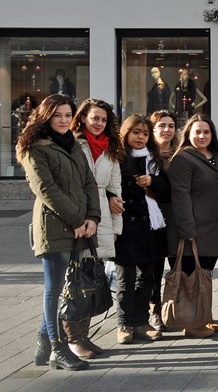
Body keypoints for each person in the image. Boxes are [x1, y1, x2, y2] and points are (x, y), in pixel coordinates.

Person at [20, 94, 100, 371]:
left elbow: (89, 182)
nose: (64, 120)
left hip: (80, 225)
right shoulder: (35, 148)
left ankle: (44, 343)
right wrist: (78, 219)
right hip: (54, 226)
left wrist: (92, 217)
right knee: (54, 289)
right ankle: (57, 348)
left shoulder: (75, 145)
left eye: (68, 115)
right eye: (58, 115)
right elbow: (46, 190)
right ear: (46, 117)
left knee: (67, 286)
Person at [69, 98, 124, 355]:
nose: (99, 123)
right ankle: (72, 339)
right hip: (77, 214)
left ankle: (84, 336)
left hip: (101, 214)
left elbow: (116, 188)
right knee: (74, 280)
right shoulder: (72, 144)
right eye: (95, 118)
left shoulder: (111, 148)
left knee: (91, 280)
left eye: (103, 119)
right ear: (82, 119)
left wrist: (116, 226)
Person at [167, 114, 218, 338]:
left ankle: (204, 317)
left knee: (204, 277)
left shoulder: (216, 157)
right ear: (188, 135)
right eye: (197, 132)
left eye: (206, 132)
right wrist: (187, 229)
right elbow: (180, 196)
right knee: (189, 279)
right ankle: (190, 323)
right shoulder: (183, 159)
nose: (202, 136)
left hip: (211, 229)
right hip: (191, 230)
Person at [115, 115, 171, 346]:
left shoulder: (154, 160)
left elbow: (167, 193)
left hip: (151, 226)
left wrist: (153, 182)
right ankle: (124, 324)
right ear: (126, 133)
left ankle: (140, 322)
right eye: (135, 132)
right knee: (125, 279)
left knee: (147, 277)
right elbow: (109, 187)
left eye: (145, 133)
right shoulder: (117, 159)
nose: (140, 137)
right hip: (126, 226)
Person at [146, 110, 178, 332]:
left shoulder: (181, 153)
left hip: (175, 216)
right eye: (161, 126)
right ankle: (154, 311)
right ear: (152, 129)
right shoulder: (144, 154)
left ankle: (178, 310)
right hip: (151, 218)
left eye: (171, 126)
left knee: (178, 266)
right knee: (154, 268)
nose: (167, 130)